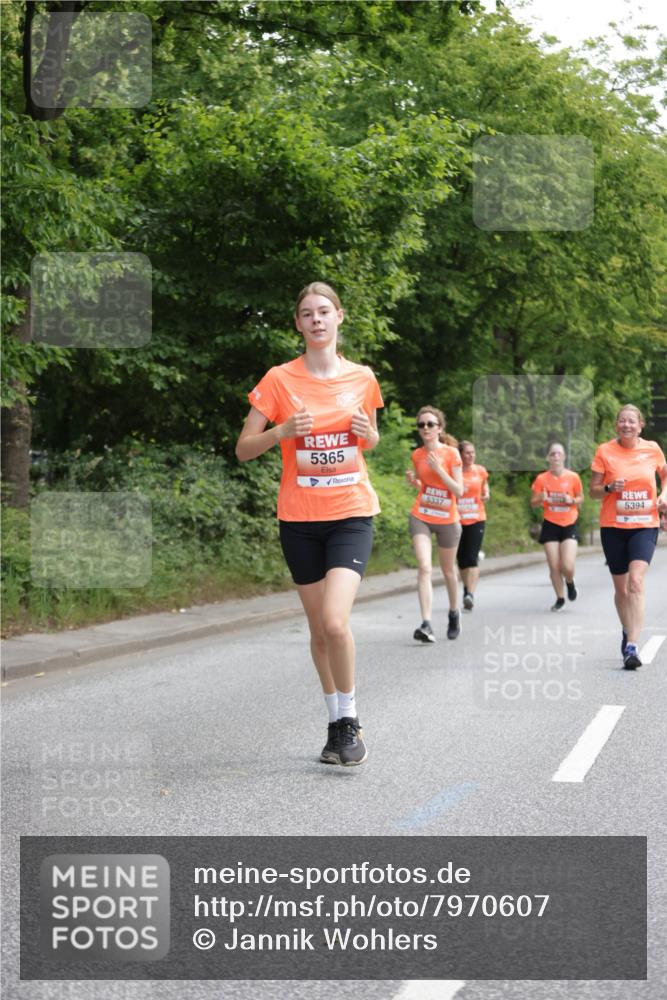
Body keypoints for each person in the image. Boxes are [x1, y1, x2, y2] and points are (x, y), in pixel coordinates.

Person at [235, 282, 383, 765]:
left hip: (351, 515)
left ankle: (351, 719)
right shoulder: (279, 379)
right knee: (319, 630)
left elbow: (371, 439)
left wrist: (370, 435)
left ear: (340, 317)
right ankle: (335, 723)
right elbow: (244, 448)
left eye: (324, 311)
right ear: (297, 324)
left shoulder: (362, 378)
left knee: (337, 622)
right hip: (298, 519)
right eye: (307, 313)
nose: (316, 319)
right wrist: (282, 430)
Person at [590, 404, 667, 669]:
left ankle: (632, 646)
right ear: (616, 425)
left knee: (636, 582)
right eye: (622, 421)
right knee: (621, 589)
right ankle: (627, 628)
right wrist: (610, 487)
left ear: (640, 425)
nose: (626, 425)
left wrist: (664, 495)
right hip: (613, 527)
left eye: (631, 421)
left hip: (645, 525)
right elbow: (594, 491)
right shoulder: (604, 451)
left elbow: (665, 476)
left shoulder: (652, 449)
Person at [405, 406, 463, 642]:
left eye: (430, 424)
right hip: (422, 515)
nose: (426, 428)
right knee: (424, 566)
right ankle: (426, 623)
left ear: (440, 428)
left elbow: (458, 490)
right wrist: (415, 484)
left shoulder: (451, 454)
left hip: (448, 519)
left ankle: (453, 612)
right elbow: (427, 488)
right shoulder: (417, 455)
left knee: (448, 571)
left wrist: (439, 469)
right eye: (421, 425)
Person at [530, 443, 584, 611]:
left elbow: (581, 498)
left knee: (567, 565)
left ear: (564, 457)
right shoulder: (541, 479)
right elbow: (533, 503)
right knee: (554, 566)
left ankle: (570, 582)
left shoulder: (573, 477)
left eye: (559, 453)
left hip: (569, 523)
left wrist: (572, 501)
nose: (555, 457)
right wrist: (541, 497)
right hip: (550, 524)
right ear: (548, 458)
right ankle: (560, 598)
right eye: (552, 454)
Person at [456, 440, 490, 611]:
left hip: (477, 517)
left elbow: (485, 487)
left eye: (473, 452)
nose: (470, 456)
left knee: (472, 557)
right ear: (460, 454)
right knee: (461, 559)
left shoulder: (480, 471)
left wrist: (486, 493)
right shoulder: (454, 472)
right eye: (467, 453)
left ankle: (471, 594)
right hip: (457, 519)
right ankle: (466, 589)